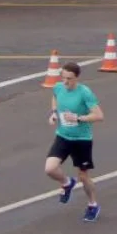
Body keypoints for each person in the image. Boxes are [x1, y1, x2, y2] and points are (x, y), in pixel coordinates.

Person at [45, 60, 104, 223]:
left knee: (84, 176)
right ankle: (66, 182)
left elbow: (99, 116)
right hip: (63, 136)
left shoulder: (85, 93)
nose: (65, 82)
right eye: (63, 77)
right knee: (50, 169)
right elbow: (55, 97)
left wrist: (79, 118)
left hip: (81, 139)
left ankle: (93, 204)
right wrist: (54, 113)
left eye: (69, 78)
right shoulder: (58, 88)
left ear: (76, 78)